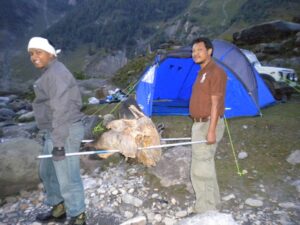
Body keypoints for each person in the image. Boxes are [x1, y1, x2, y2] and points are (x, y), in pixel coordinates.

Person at [27, 37, 86, 225]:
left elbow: (61, 110)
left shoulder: (57, 74)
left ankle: (78, 216)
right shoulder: (50, 72)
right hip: (53, 130)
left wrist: (59, 144)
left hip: (65, 130)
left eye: (38, 52)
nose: (34, 57)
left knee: (68, 176)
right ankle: (58, 207)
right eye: (31, 54)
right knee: (48, 172)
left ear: (51, 53)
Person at [189, 37, 227, 213]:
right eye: (193, 51)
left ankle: (205, 210)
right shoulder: (202, 72)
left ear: (209, 51)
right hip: (199, 125)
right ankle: (213, 204)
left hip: (207, 124)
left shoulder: (215, 72)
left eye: (199, 50)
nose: (195, 53)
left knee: (200, 168)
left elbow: (215, 103)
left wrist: (211, 130)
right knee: (206, 165)